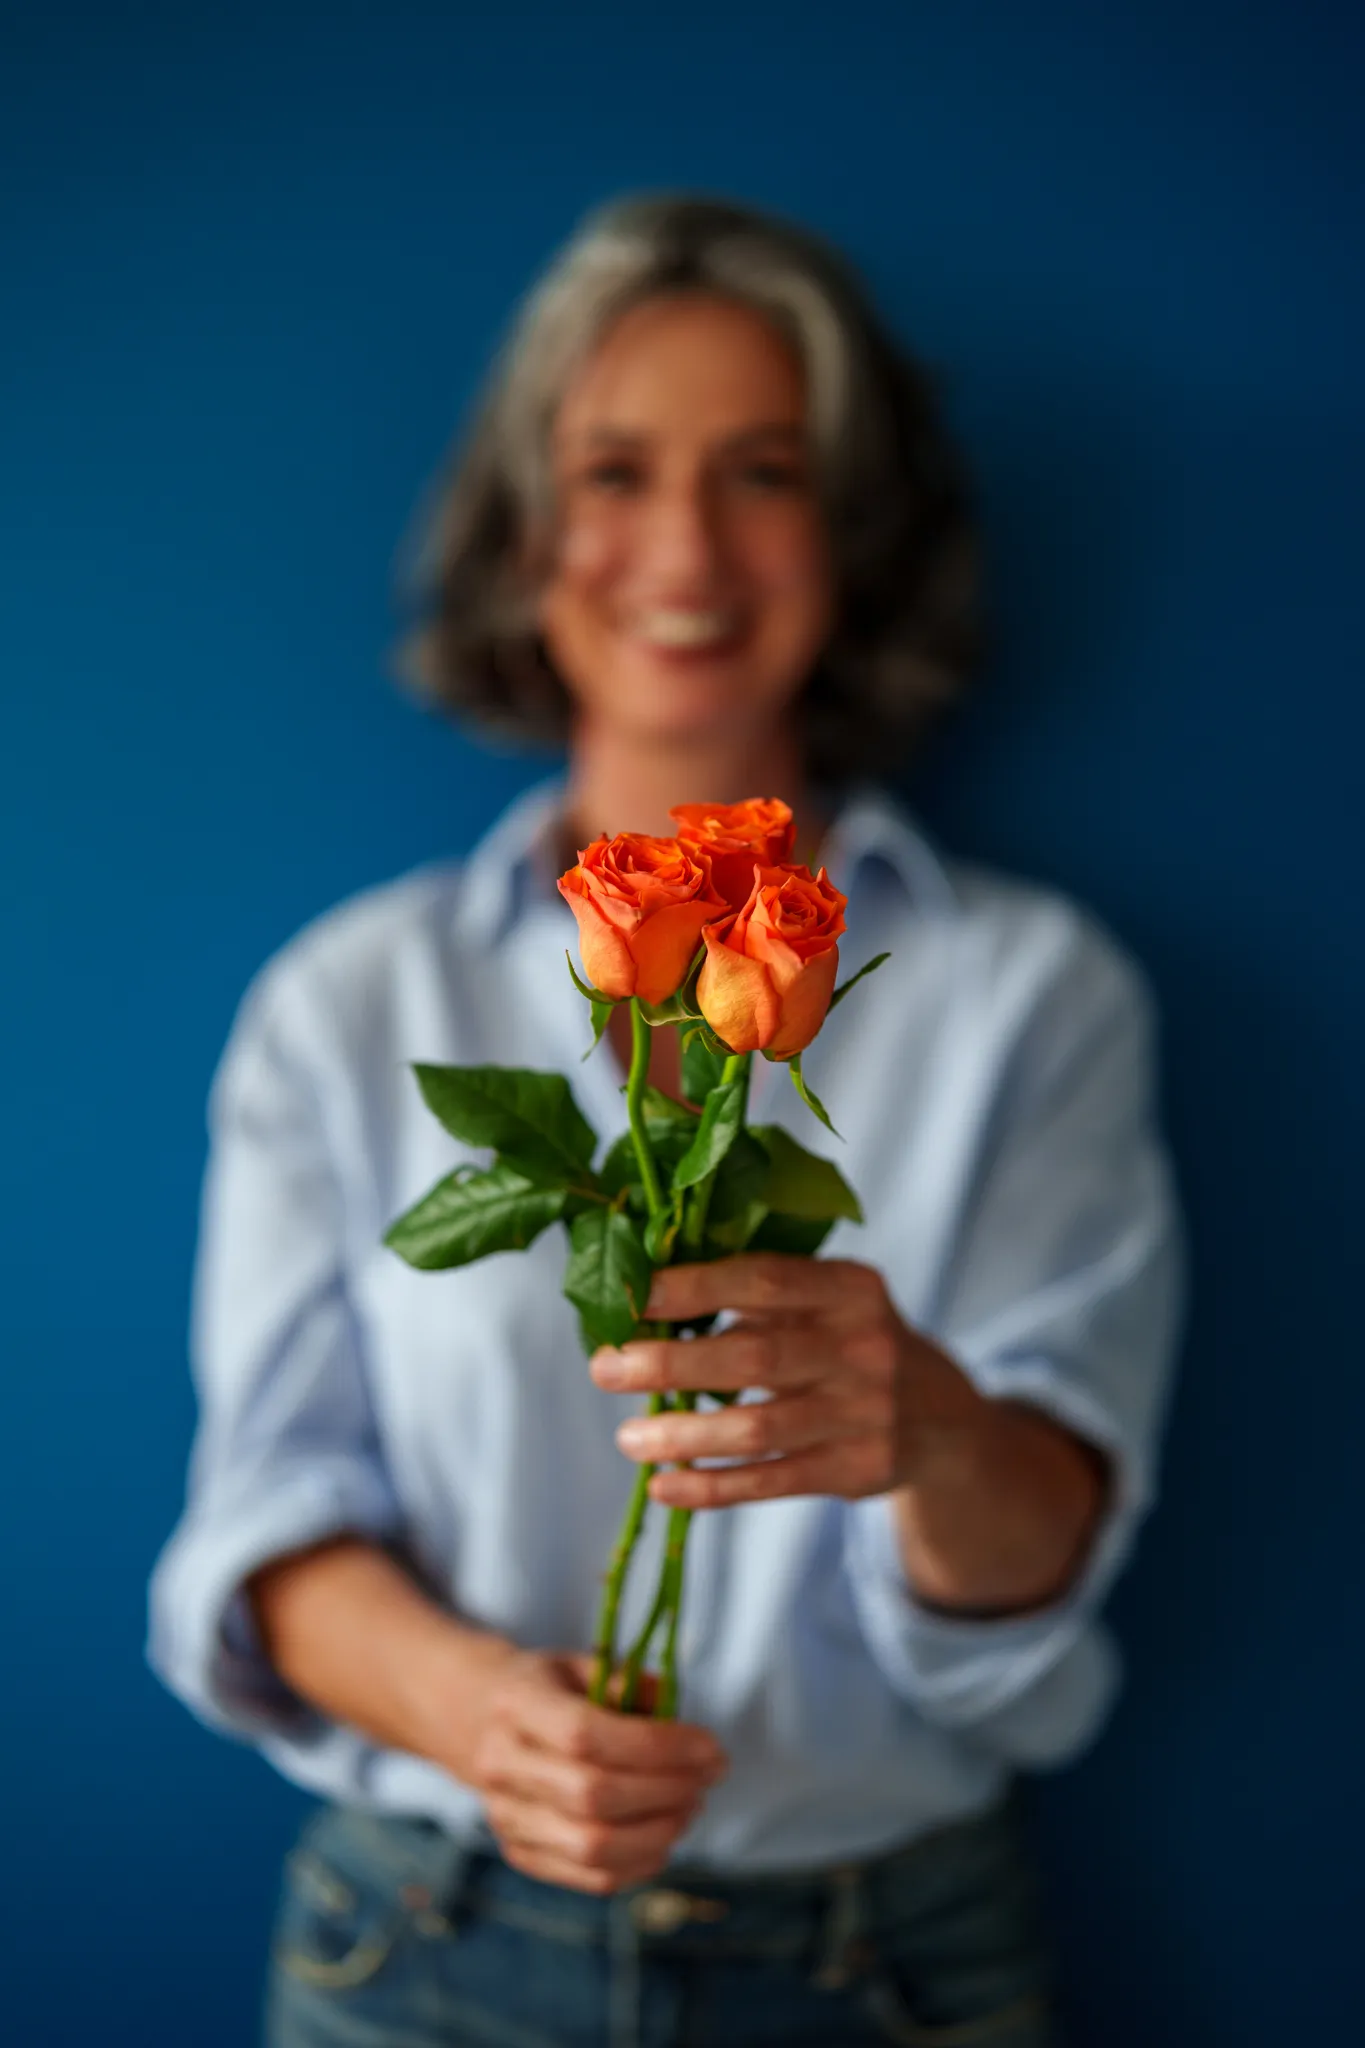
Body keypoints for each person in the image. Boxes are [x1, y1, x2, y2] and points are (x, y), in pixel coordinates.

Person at [148, 192, 1184, 2048]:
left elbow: (1044, 1570)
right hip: (427, 1952)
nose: (685, 543)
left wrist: (930, 1426)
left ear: (850, 536)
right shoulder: (350, 1003)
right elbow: (267, 1523)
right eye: (615, 469)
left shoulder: (1035, 994)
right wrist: (484, 1714)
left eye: (764, 471)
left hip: (889, 1970)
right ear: (527, 535)